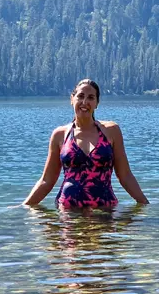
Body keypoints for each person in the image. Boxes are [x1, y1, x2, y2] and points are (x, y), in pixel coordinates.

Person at [24, 79, 149, 209]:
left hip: (105, 211)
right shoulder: (60, 135)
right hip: (68, 213)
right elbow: (47, 181)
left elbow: (125, 176)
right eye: (80, 96)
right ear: (72, 99)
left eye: (91, 98)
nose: (85, 102)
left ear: (97, 103)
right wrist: (24, 207)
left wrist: (145, 204)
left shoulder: (111, 131)